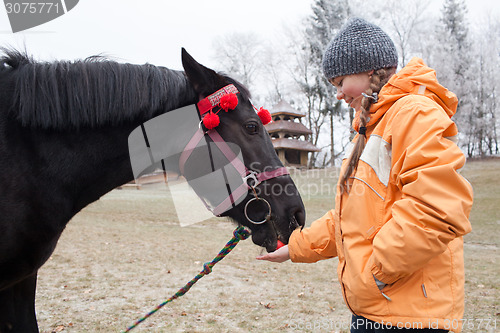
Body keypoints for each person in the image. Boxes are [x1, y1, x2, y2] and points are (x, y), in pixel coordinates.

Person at [257, 17, 473, 333]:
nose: (339, 95)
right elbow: (352, 218)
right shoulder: (370, 130)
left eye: (341, 81)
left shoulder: (415, 113)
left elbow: (438, 209)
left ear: (370, 71)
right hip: (378, 308)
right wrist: (295, 247)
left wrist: (377, 270)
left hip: (409, 317)